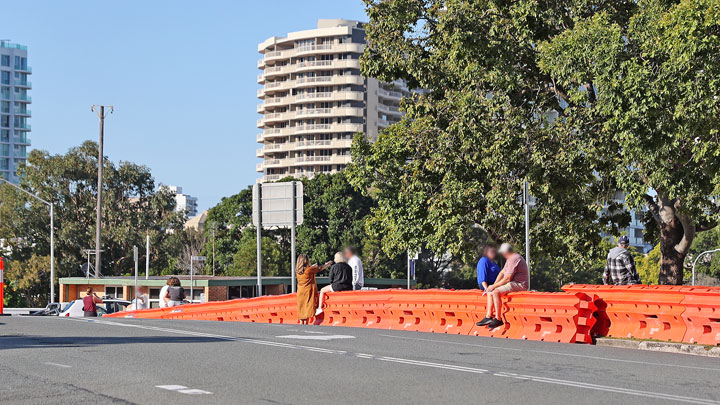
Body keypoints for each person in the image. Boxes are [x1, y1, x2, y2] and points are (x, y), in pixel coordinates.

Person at [476, 243, 529, 329]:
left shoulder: (514, 259)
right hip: (512, 283)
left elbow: (507, 278)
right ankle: (488, 316)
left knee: (496, 292)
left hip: (520, 284)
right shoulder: (510, 259)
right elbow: (502, 272)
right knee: (490, 292)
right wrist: (493, 286)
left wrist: (494, 287)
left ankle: (498, 318)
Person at [296, 254, 332, 324]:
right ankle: (305, 326)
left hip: (300, 292)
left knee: (301, 310)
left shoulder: (298, 271)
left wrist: (312, 267)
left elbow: (309, 271)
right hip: (307, 292)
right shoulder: (309, 270)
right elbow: (319, 268)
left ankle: (301, 325)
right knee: (307, 309)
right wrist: (327, 265)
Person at [316, 252, 353, 316]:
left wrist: (332, 283)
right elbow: (351, 278)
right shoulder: (349, 267)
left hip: (337, 286)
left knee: (322, 290)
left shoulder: (334, 266)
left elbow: (330, 278)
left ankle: (319, 308)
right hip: (348, 287)